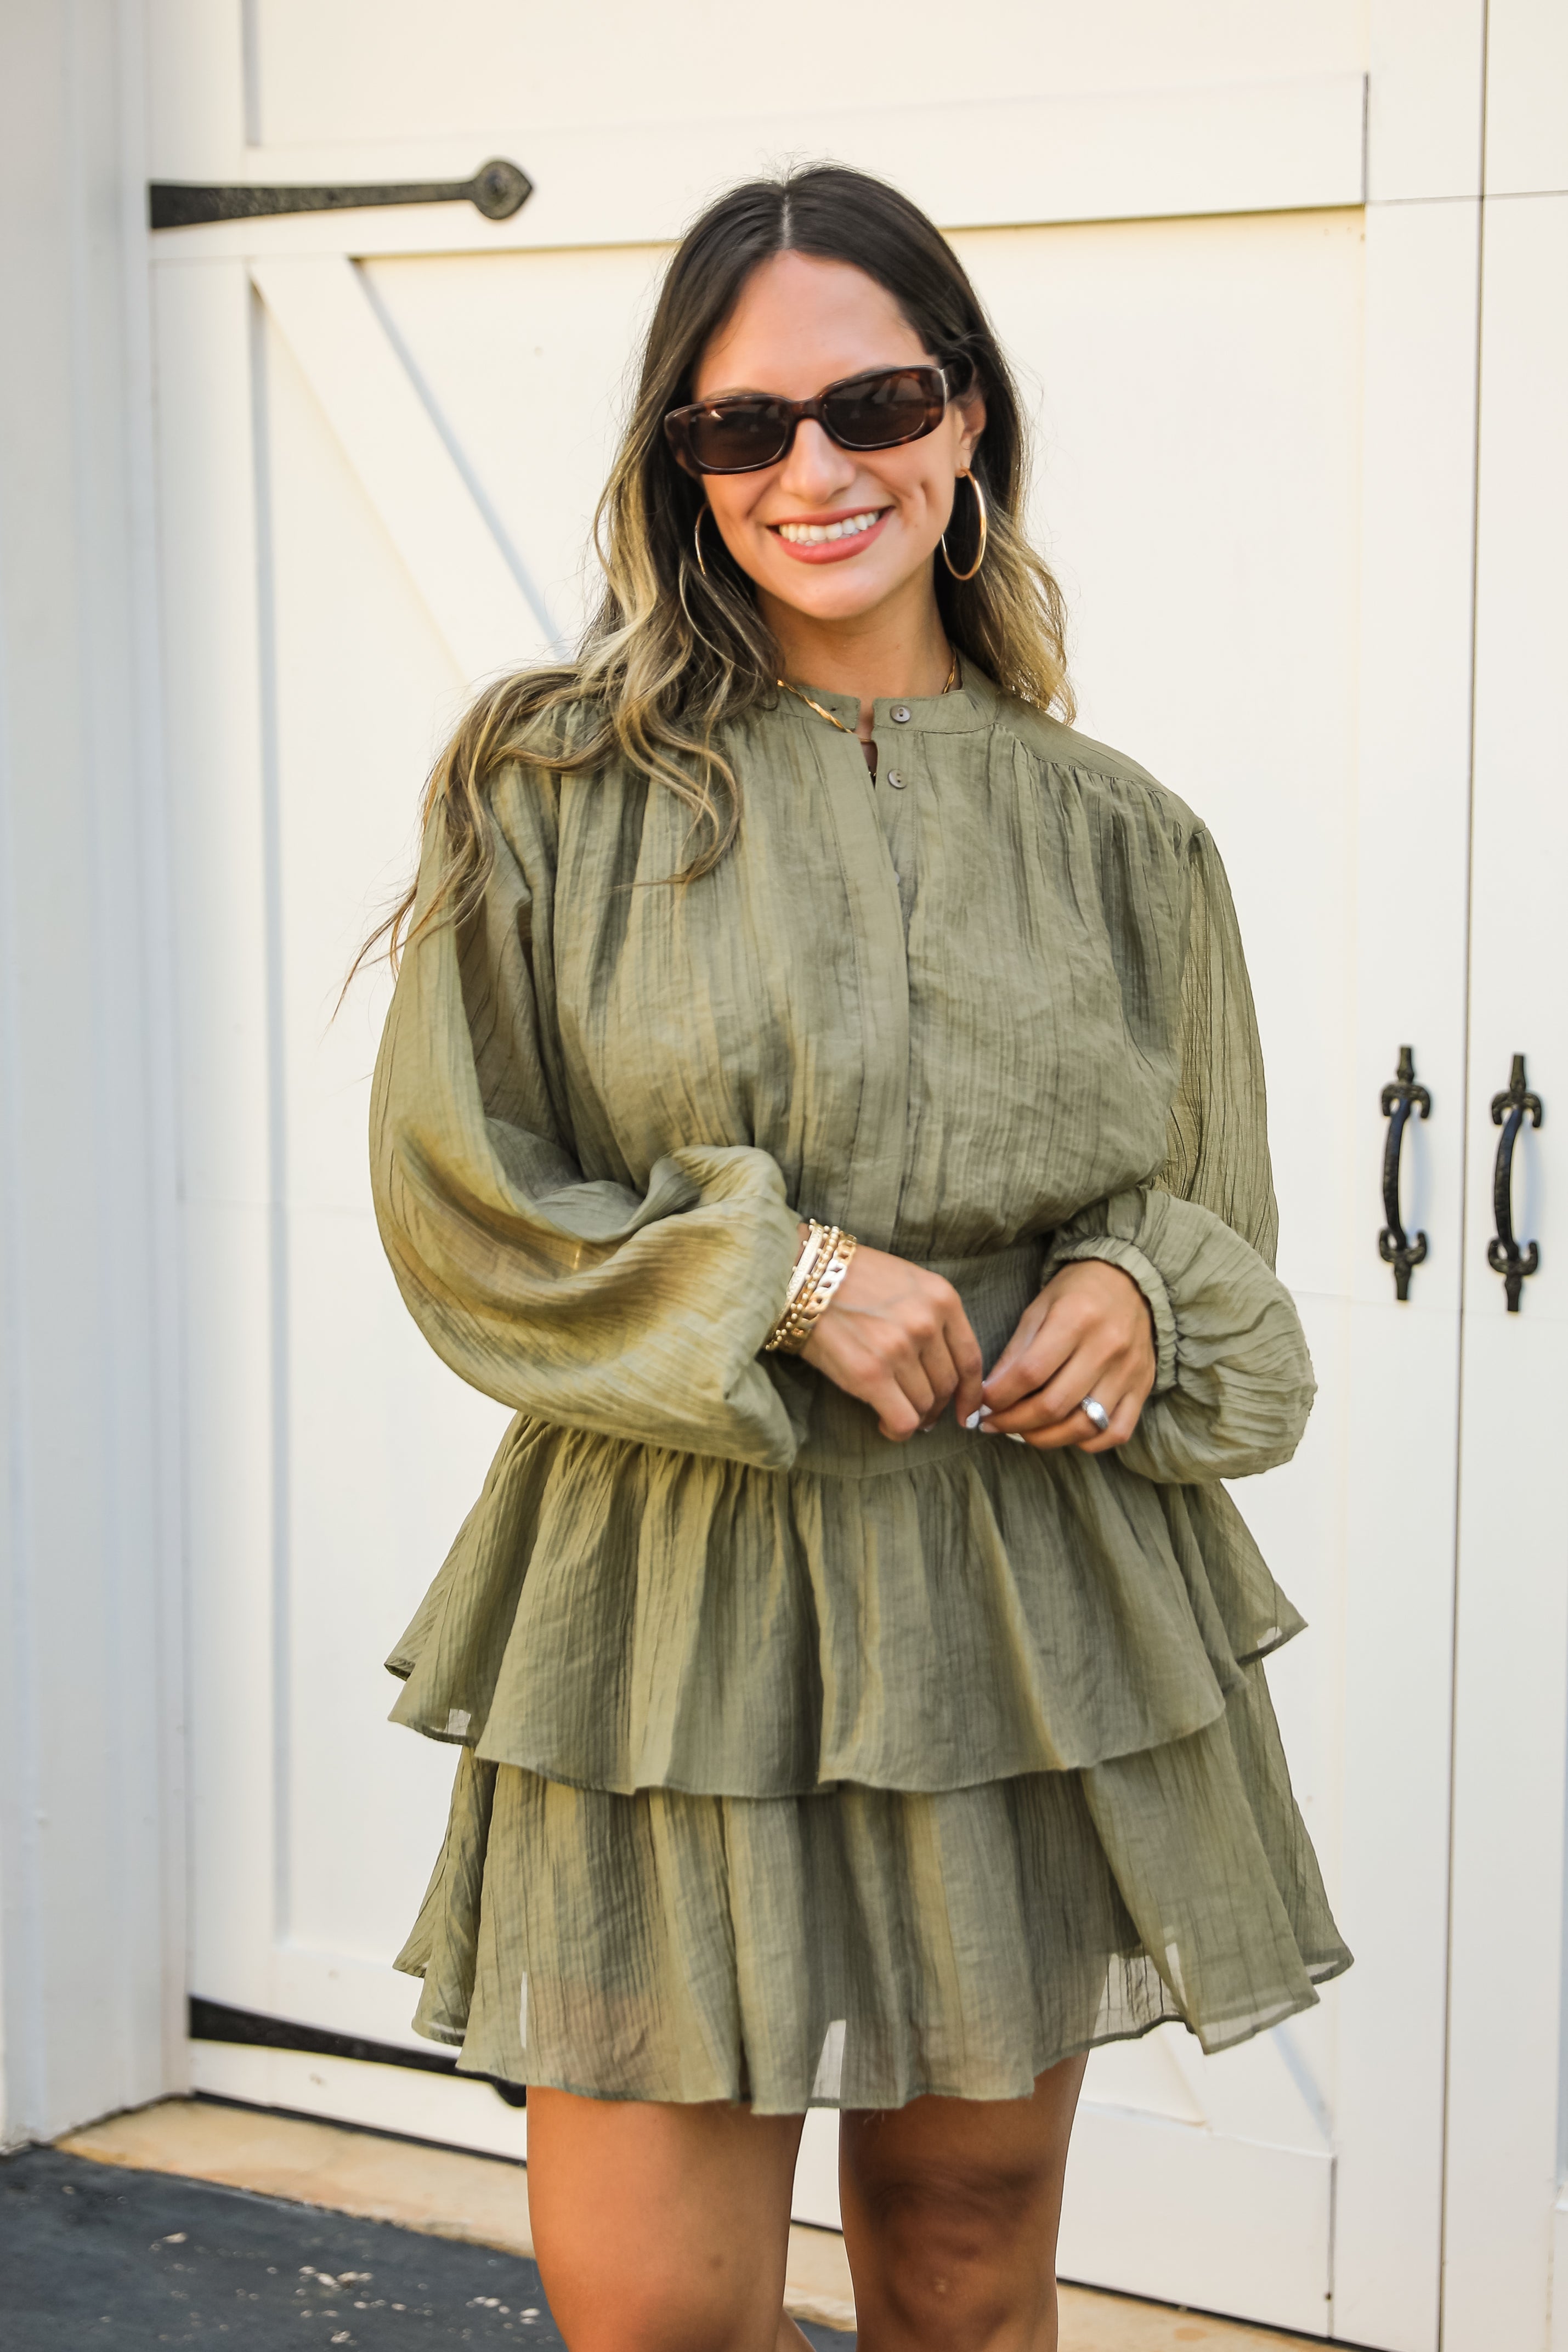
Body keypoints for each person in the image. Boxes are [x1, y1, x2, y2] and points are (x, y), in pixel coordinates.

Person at [364, 164, 1350, 2352]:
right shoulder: (552, 790)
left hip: (1017, 1602)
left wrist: (1127, 1286)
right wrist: (789, 1279)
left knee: (969, 2270)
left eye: (874, 400)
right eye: (742, 428)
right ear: (680, 464)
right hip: (668, 1622)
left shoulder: (1123, 836)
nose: (815, 470)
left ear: (968, 417)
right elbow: (468, 1203)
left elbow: (1213, 1231)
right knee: (656, 2318)